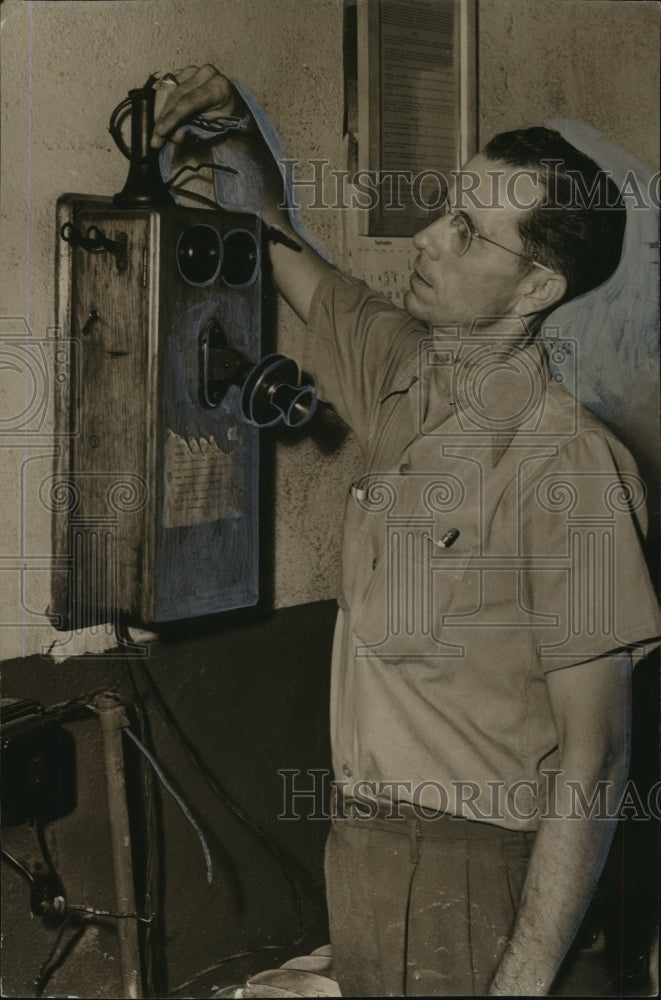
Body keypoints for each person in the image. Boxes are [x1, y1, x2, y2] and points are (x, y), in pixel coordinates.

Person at [151, 66, 661, 996]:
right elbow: (279, 240)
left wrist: (520, 983)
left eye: (467, 231)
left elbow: (599, 757)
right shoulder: (401, 373)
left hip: (491, 878)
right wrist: (234, 122)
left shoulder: (571, 469)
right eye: (443, 208)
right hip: (364, 857)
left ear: (536, 284)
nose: (427, 236)